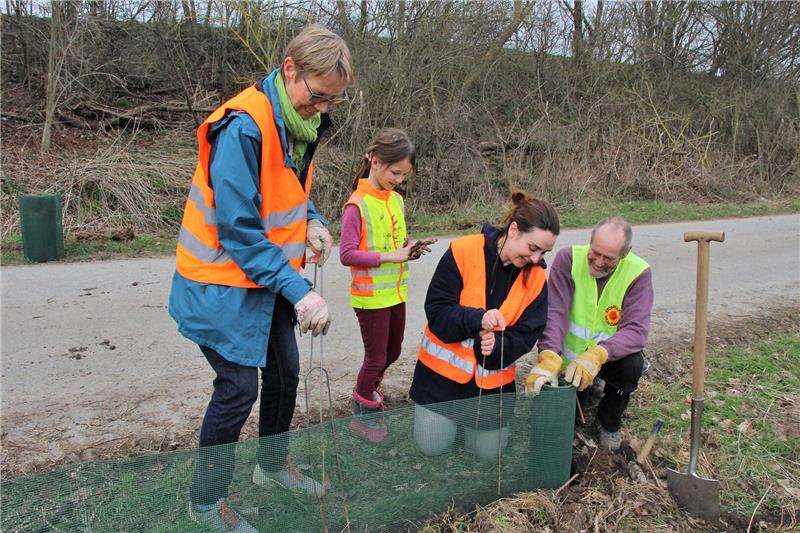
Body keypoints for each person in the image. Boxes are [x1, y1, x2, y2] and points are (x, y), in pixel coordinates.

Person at [168, 24, 353, 532]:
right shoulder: (245, 126)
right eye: (318, 97)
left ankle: (271, 467)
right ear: (290, 69)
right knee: (236, 389)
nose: (322, 109)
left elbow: (284, 191)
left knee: (286, 373)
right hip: (219, 284)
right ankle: (205, 503)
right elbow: (239, 229)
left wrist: (312, 218)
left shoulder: (295, 123)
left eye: (333, 102)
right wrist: (302, 292)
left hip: (263, 282)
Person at [409, 192, 560, 459]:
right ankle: (448, 425)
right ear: (514, 230)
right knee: (432, 446)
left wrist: (499, 345)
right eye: (533, 248)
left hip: (491, 387)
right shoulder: (463, 250)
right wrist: (476, 319)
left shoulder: (536, 280)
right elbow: (437, 311)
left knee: (489, 454)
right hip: (439, 381)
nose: (537, 260)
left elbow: (528, 333)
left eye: (544, 252)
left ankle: (474, 431)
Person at [339, 128, 434, 445]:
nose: (399, 180)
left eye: (404, 176)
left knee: (393, 351)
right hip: (370, 298)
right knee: (376, 358)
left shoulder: (395, 200)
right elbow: (347, 254)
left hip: (395, 292)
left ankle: (368, 388)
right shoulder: (357, 205)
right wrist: (391, 256)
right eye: (395, 173)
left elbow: (396, 241)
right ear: (375, 161)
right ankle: (363, 409)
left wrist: (409, 248)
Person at [527, 216, 653, 452]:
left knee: (633, 364)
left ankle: (609, 422)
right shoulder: (569, 259)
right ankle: (581, 395)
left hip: (606, 359)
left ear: (625, 253)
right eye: (595, 252)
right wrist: (549, 354)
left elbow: (636, 330)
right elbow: (555, 312)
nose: (598, 261)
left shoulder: (638, 274)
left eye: (609, 258)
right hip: (567, 361)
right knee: (559, 425)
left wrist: (597, 355)